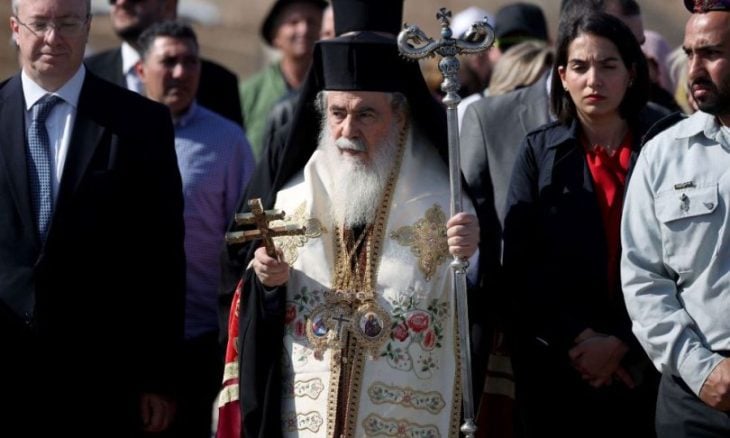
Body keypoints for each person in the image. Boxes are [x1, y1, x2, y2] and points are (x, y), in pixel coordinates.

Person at [220, 29, 501, 437]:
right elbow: (254, 318)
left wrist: (471, 258)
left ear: (400, 116)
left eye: (366, 114)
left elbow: (480, 316)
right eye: (337, 113)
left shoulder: (445, 202)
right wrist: (266, 282)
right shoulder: (293, 198)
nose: (348, 130)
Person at [0, 0, 185, 436]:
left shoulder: (140, 124)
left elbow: (161, 258)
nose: (53, 37)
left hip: (101, 376)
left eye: (67, 23)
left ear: (87, 26)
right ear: (15, 28)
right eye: (39, 24)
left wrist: (158, 375)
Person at [502, 12, 666, 438]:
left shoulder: (667, 143)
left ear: (631, 73)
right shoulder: (539, 152)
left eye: (608, 65)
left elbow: (684, 259)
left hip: (651, 364)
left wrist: (622, 343)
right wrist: (579, 341)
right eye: (579, 66)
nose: (594, 80)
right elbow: (520, 264)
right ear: (562, 76)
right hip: (560, 366)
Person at [135, 20, 255, 437]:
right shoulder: (117, 130)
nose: (181, 73)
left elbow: (244, 237)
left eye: (190, 62)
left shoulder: (227, 141)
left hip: (200, 336)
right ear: (141, 70)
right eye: (169, 61)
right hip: (127, 335)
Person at [621, 1, 730, 436]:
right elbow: (643, 278)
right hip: (695, 397)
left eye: (711, 53)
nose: (695, 70)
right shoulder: (663, 155)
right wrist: (701, 370)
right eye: (689, 54)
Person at [460, 0, 661, 228]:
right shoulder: (497, 124)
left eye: (636, 45)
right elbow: (471, 216)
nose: (594, 80)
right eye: (580, 66)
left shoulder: (662, 132)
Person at [85, 0, 242, 126]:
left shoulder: (219, 84)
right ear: (141, 70)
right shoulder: (86, 74)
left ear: (169, 6)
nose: (121, 3)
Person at [239, 0, 326, 159]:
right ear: (275, 36)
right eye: (293, 22)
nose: (304, 29)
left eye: (312, 22)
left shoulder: (333, 91)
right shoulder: (249, 93)